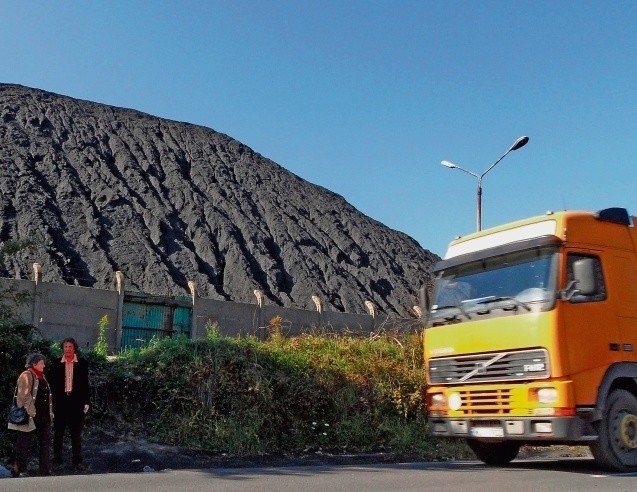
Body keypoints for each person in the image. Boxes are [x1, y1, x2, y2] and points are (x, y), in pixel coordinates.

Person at [8, 353, 53, 477]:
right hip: (30, 416)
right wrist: (31, 411)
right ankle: (20, 469)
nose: (44, 365)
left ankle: (44, 471)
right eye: (41, 363)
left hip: (43, 417)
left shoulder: (42, 376)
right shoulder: (26, 375)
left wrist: (50, 414)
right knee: (23, 443)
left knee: (45, 442)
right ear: (34, 364)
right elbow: (24, 395)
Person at [49, 337, 91, 470]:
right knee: (58, 433)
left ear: (74, 348)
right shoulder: (56, 363)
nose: (67, 349)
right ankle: (57, 460)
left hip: (76, 402)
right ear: (62, 348)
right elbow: (51, 384)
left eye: (70, 347)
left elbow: (85, 384)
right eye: (65, 347)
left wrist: (86, 401)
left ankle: (77, 461)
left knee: (76, 433)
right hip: (60, 402)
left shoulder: (82, 363)